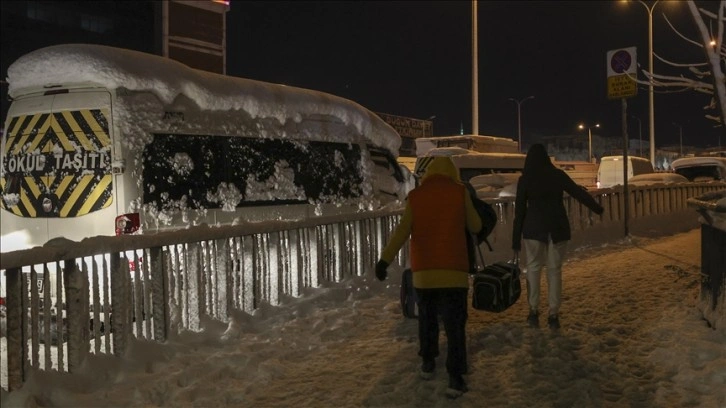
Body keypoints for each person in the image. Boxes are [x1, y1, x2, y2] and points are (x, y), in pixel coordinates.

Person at [375, 156, 483, 399]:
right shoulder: (459, 192)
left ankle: (427, 362)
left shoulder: (416, 196)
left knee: (427, 318)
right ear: (451, 173)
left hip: (423, 275)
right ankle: (455, 379)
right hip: (454, 273)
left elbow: (401, 232)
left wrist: (384, 261)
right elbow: (476, 226)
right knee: (455, 327)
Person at [512, 144, 604, 330]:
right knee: (554, 271)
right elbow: (578, 193)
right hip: (557, 228)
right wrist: (597, 208)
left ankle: (533, 309)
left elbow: (520, 211)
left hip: (533, 229)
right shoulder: (557, 175)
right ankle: (553, 313)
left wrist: (515, 240)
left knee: (533, 268)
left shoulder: (526, 179)